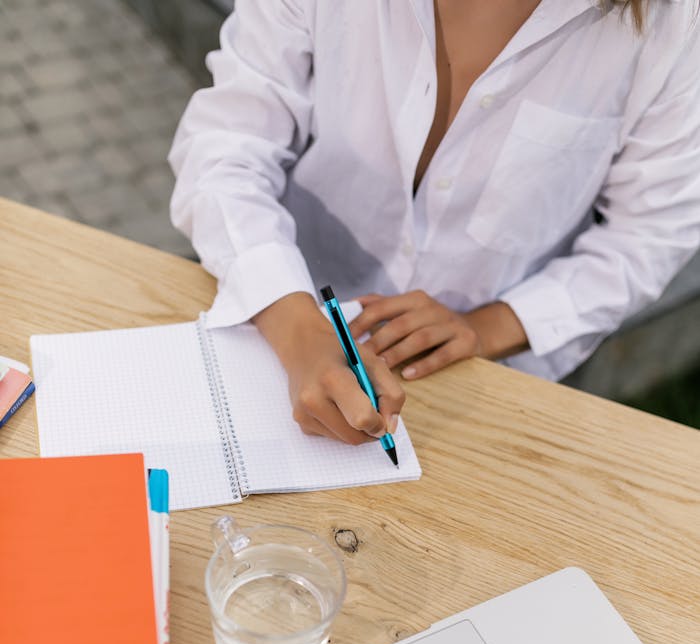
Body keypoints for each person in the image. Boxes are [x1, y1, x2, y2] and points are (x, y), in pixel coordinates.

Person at [169, 0, 700, 447]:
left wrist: (491, 326)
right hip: (273, 320)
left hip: (487, 377)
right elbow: (226, 146)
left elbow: (650, 234)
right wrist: (299, 327)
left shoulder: (674, 27)